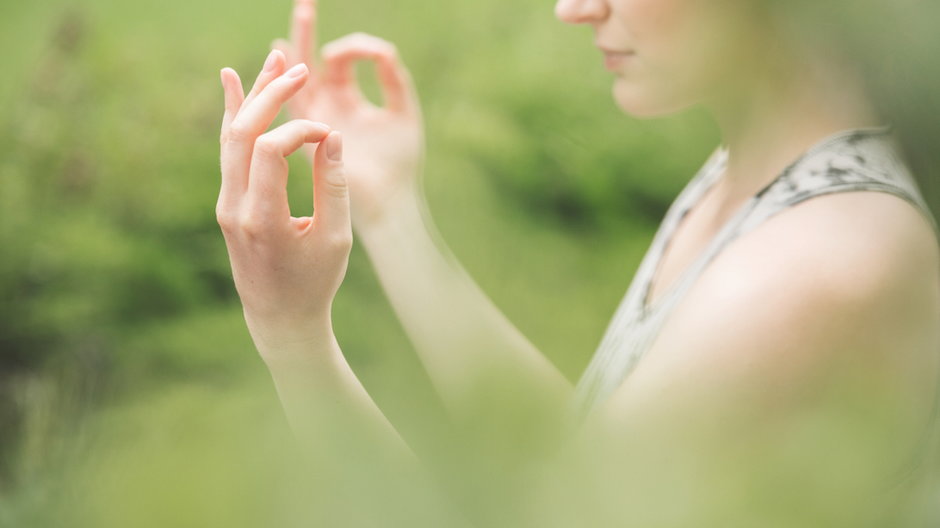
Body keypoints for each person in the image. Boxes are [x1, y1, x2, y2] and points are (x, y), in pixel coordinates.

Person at [216, 0, 940, 515]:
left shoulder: (811, 271)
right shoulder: (758, 169)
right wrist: (390, 210)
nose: (573, 8)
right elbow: (588, 465)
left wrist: (291, 335)